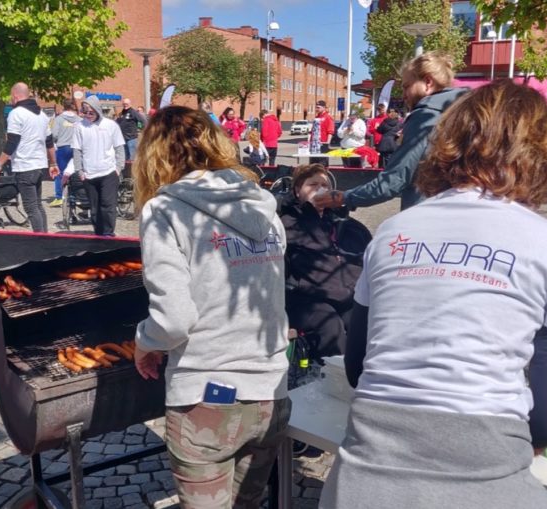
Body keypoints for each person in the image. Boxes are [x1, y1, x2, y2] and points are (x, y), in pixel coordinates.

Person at [319, 80, 547, 509]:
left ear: (446, 144)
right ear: (542, 155)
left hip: (364, 473)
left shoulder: (392, 232)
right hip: (487, 464)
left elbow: (358, 367)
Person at [132, 105, 290, 509]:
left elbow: (173, 320)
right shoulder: (265, 207)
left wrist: (143, 343)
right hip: (270, 393)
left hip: (206, 397)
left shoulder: (164, 210)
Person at [312, 52, 467, 212]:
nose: (404, 95)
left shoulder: (425, 117)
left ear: (427, 82)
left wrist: (345, 197)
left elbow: (394, 180)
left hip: (427, 216)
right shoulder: (464, 114)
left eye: (407, 86)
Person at [280, 164, 369, 361]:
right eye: (312, 184)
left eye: (324, 185)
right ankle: (336, 381)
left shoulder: (347, 225)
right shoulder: (286, 224)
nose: (319, 189)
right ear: (297, 190)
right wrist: (310, 212)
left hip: (347, 294)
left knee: (365, 322)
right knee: (329, 325)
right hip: (304, 297)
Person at [0, 82, 59, 233]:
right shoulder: (41, 115)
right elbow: (49, 142)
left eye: (11, 96)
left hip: (25, 166)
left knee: (31, 207)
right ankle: (45, 236)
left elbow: (12, 142)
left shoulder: (16, 114)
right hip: (39, 166)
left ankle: (40, 240)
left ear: (15, 96)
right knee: (38, 205)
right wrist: (53, 163)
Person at [71, 95, 125, 236]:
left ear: (97, 111)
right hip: (89, 173)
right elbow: (77, 150)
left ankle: (108, 233)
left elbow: (119, 147)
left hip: (108, 172)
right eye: (85, 112)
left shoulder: (110, 125)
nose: (88, 115)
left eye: (91, 112)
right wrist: (79, 171)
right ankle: (98, 233)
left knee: (107, 205)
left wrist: (118, 168)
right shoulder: (79, 127)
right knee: (94, 208)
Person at [48, 99, 80, 207]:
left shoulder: (59, 119)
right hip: (76, 148)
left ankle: (59, 197)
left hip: (63, 147)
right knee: (75, 172)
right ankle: (74, 195)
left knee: (59, 172)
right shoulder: (79, 119)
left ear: (63, 107)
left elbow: (54, 135)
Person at [309, 100, 335, 166]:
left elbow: (330, 131)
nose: (316, 109)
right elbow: (313, 131)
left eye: (318, 107)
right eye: (316, 107)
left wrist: (327, 143)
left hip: (323, 143)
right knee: (313, 164)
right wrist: (309, 141)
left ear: (323, 107)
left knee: (322, 164)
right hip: (314, 144)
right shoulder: (317, 117)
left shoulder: (328, 117)